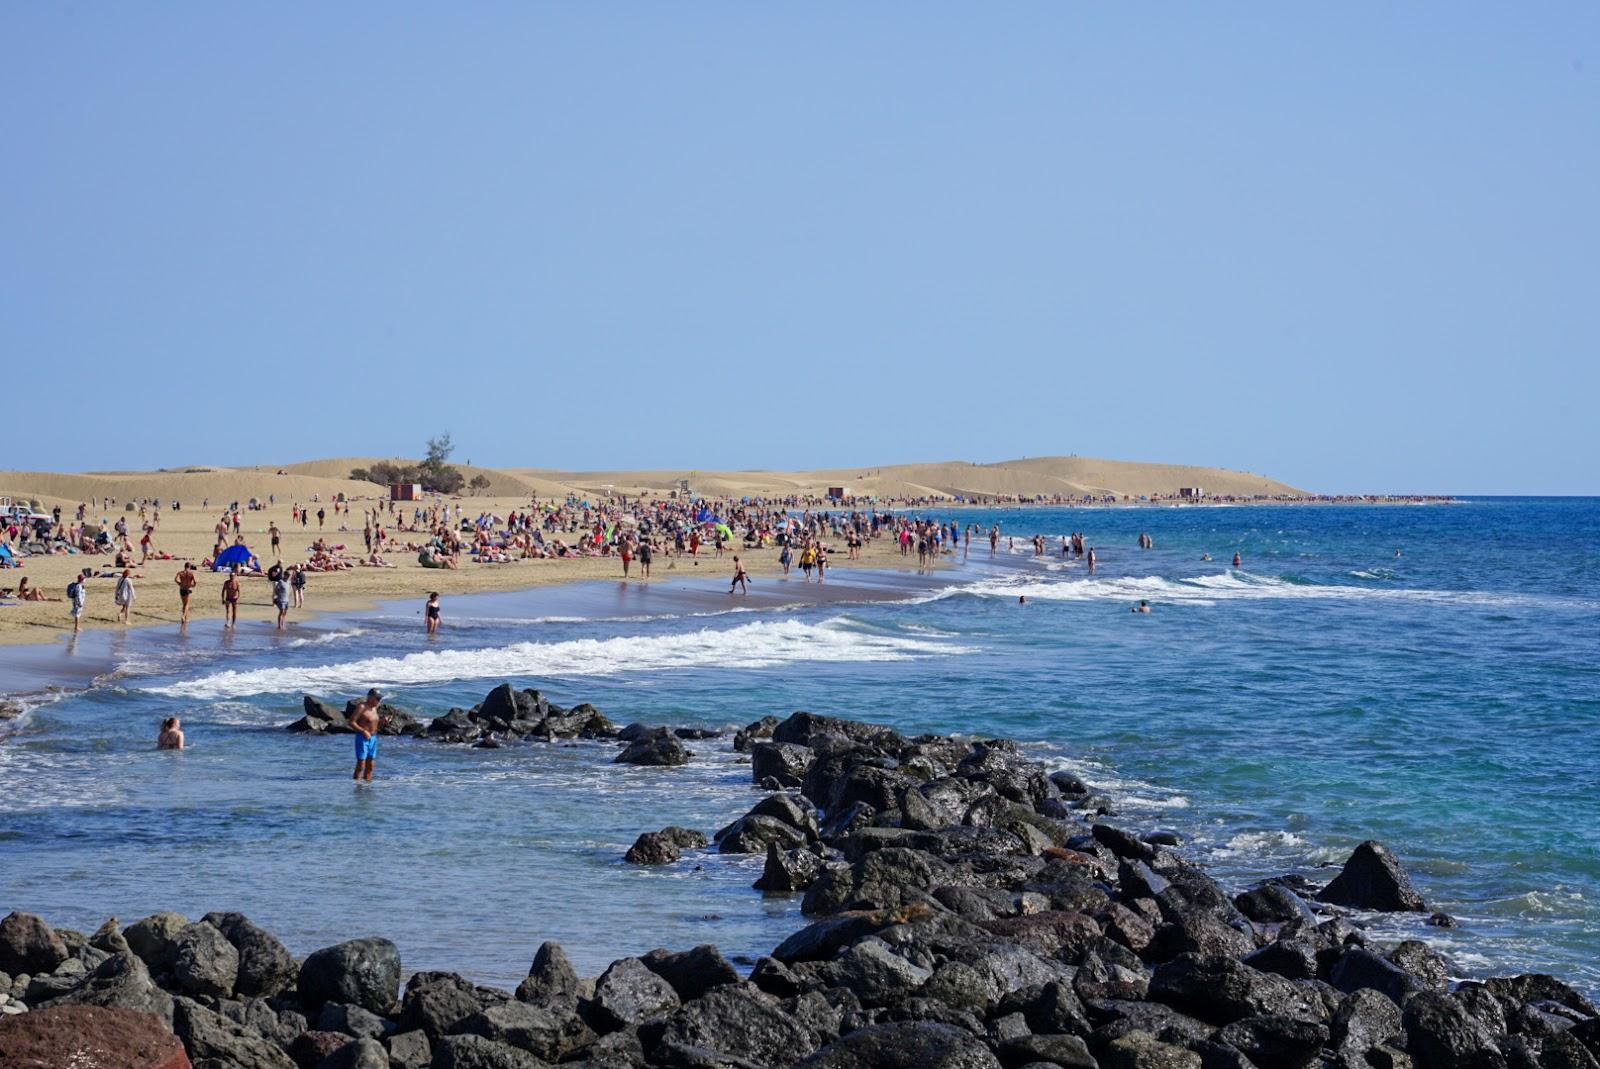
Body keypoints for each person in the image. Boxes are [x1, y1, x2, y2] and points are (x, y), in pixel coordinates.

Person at [348, 688, 386, 782]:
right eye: (377, 698)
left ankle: (367, 785)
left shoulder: (375, 708)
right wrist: (363, 731)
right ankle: (356, 785)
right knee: (361, 764)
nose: (379, 701)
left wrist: (383, 721)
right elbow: (351, 722)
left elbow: (374, 723)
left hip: (373, 738)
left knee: (371, 764)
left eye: (380, 698)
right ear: (370, 697)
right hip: (362, 738)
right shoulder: (362, 707)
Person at [67, 569, 89, 634]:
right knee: (77, 614)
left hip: (76, 601)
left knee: (77, 613)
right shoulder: (79, 586)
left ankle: (76, 626)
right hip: (78, 602)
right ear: (82, 580)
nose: (85, 580)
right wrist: (80, 603)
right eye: (84, 579)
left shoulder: (79, 585)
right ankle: (76, 627)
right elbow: (79, 595)